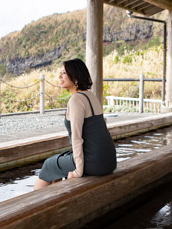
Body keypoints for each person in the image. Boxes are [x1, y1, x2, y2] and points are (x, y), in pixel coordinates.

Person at [34, 59, 116, 190]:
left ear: (75, 76)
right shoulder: (90, 95)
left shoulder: (76, 100)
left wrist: (78, 171)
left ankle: (35, 205)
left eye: (64, 73)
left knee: (49, 164)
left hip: (95, 163)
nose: (60, 76)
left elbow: (77, 139)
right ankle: (54, 197)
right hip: (109, 160)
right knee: (61, 159)